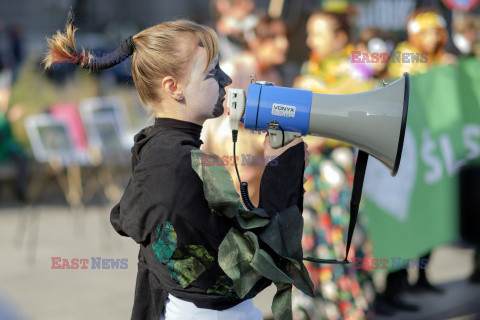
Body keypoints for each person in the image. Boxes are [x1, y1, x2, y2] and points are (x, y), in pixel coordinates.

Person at [43, 8, 313, 320]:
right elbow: (241, 275)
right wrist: (283, 173)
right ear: (174, 88)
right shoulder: (178, 167)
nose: (226, 81)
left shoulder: (161, 151)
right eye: (212, 74)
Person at [291, 5, 376, 320]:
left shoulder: (360, 63)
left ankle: (349, 306)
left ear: (341, 37)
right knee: (313, 237)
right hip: (311, 171)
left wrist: (322, 120)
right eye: (310, 33)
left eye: (319, 34)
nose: (311, 40)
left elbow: (360, 102)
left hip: (341, 169)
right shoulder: (309, 70)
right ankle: (320, 307)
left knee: (343, 237)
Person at [203, 14, 289, 207]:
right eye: (274, 37)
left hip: (258, 151)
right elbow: (223, 117)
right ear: (255, 41)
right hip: (232, 149)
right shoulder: (234, 69)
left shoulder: (273, 75)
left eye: (284, 37)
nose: (283, 44)